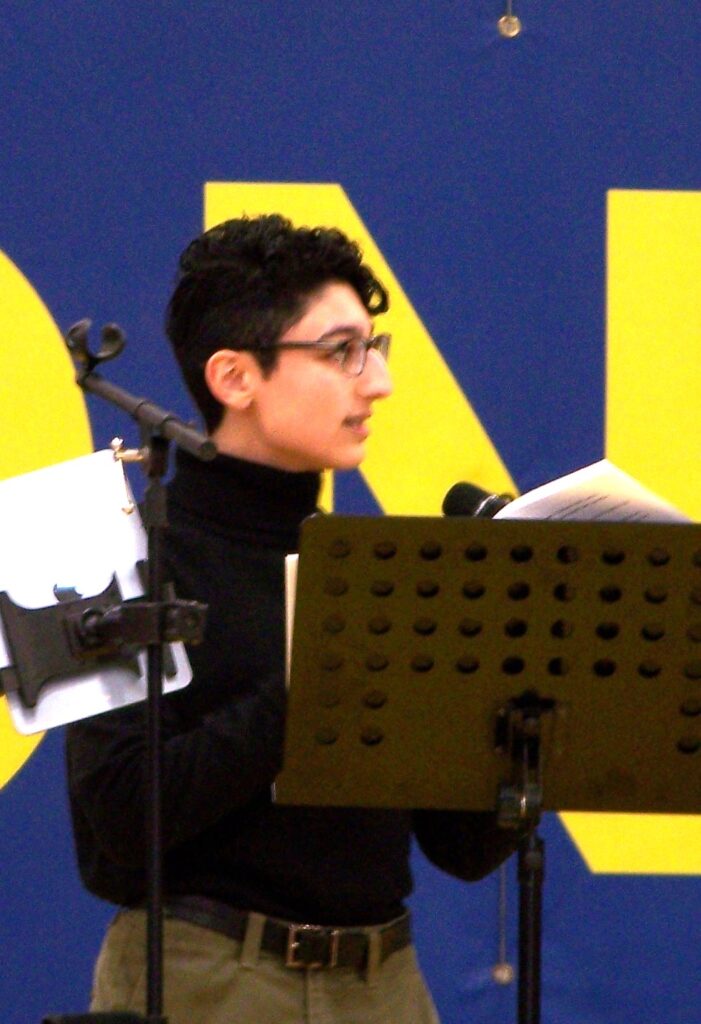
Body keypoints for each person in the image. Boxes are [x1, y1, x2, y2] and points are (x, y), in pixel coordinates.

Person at [65, 214, 520, 1024]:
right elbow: (115, 836)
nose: (374, 382)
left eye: (375, 349)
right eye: (341, 351)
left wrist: (511, 696)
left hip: (385, 983)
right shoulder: (131, 556)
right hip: (209, 978)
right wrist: (315, 684)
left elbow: (462, 850)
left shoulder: (378, 574)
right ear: (236, 378)